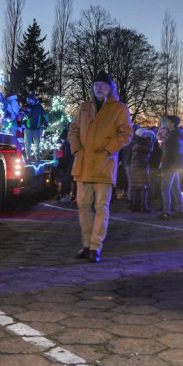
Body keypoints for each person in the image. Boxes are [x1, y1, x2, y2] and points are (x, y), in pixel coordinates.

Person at [68, 71, 132, 262]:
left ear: (110, 88)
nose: (98, 88)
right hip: (83, 164)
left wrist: (107, 150)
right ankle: (86, 245)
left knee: (101, 206)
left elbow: (126, 134)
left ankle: (96, 247)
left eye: (102, 85)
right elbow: (73, 129)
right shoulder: (84, 107)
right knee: (83, 205)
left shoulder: (119, 108)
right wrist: (76, 149)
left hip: (104, 165)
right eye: (96, 85)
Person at [157, 115, 183, 220]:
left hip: (169, 166)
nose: (166, 123)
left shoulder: (172, 136)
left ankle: (166, 212)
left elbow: (169, 154)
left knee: (165, 189)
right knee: (175, 188)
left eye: (168, 122)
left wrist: (164, 168)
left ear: (173, 123)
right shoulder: (179, 135)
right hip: (176, 165)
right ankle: (180, 210)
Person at [127, 127, 155, 212]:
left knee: (136, 187)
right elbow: (150, 149)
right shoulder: (140, 144)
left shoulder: (135, 143)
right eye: (144, 134)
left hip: (136, 167)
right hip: (141, 167)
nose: (146, 135)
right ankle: (144, 206)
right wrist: (150, 140)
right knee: (143, 187)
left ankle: (135, 206)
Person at [23, 93, 48, 159]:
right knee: (27, 144)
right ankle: (29, 158)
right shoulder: (27, 106)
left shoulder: (39, 107)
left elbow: (44, 116)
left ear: (32, 99)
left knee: (37, 144)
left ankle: (37, 157)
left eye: (28, 99)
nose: (27, 101)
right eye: (27, 99)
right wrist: (24, 120)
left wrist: (45, 125)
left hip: (37, 129)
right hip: (28, 128)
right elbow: (23, 117)